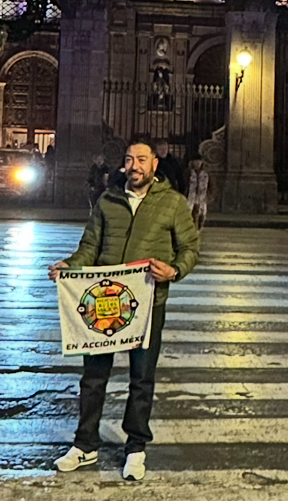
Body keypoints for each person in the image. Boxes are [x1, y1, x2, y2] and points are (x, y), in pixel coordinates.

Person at [48, 141, 199, 481]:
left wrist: (174, 270)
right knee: (93, 378)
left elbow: (190, 247)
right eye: (129, 160)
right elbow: (90, 246)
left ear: (154, 165)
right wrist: (70, 267)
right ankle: (85, 444)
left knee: (141, 379)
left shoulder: (173, 203)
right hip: (103, 305)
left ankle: (135, 447)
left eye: (142, 160)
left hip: (147, 304)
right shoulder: (108, 200)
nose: (135, 166)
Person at [187, 157, 210, 231]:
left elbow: (210, 185)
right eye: (196, 162)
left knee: (202, 212)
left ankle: (199, 226)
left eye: (199, 162)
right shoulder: (188, 172)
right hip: (190, 195)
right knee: (190, 210)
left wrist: (210, 194)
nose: (197, 164)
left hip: (202, 195)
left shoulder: (205, 173)